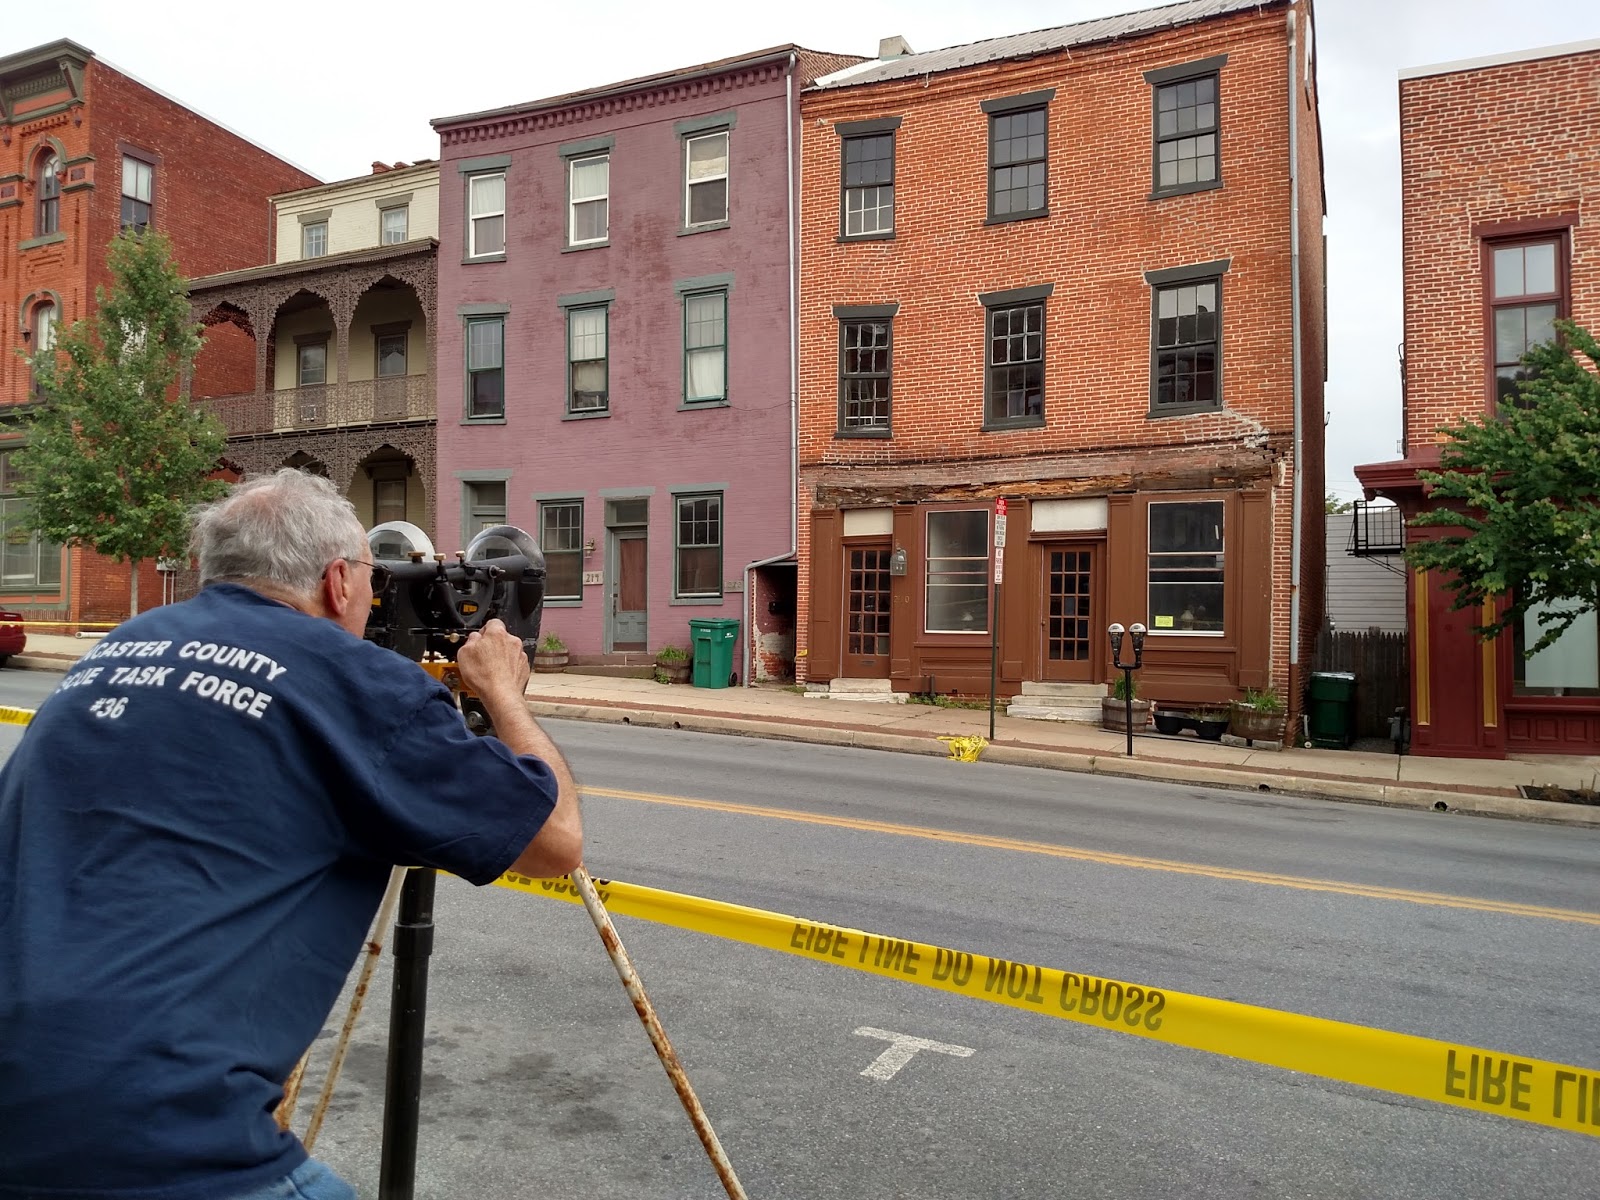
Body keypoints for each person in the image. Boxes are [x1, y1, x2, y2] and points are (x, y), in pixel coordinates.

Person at [0, 469, 582, 1200]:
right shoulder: (355, 680)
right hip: (156, 1134)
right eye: (372, 576)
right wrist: (501, 691)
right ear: (338, 581)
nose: (374, 598)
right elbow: (554, 840)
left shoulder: (117, 649)